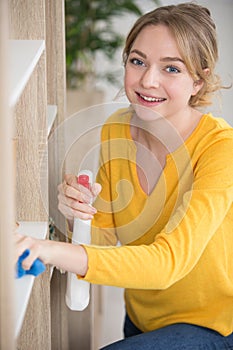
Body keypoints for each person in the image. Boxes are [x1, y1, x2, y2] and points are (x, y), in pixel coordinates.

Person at [15, 2, 233, 349]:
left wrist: (48, 250)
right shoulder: (116, 129)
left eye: (171, 69)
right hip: (141, 320)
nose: (148, 80)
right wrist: (80, 217)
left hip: (211, 327)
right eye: (138, 61)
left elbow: (168, 263)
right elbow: (101, 242)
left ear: (198, 80)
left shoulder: (220, 148)